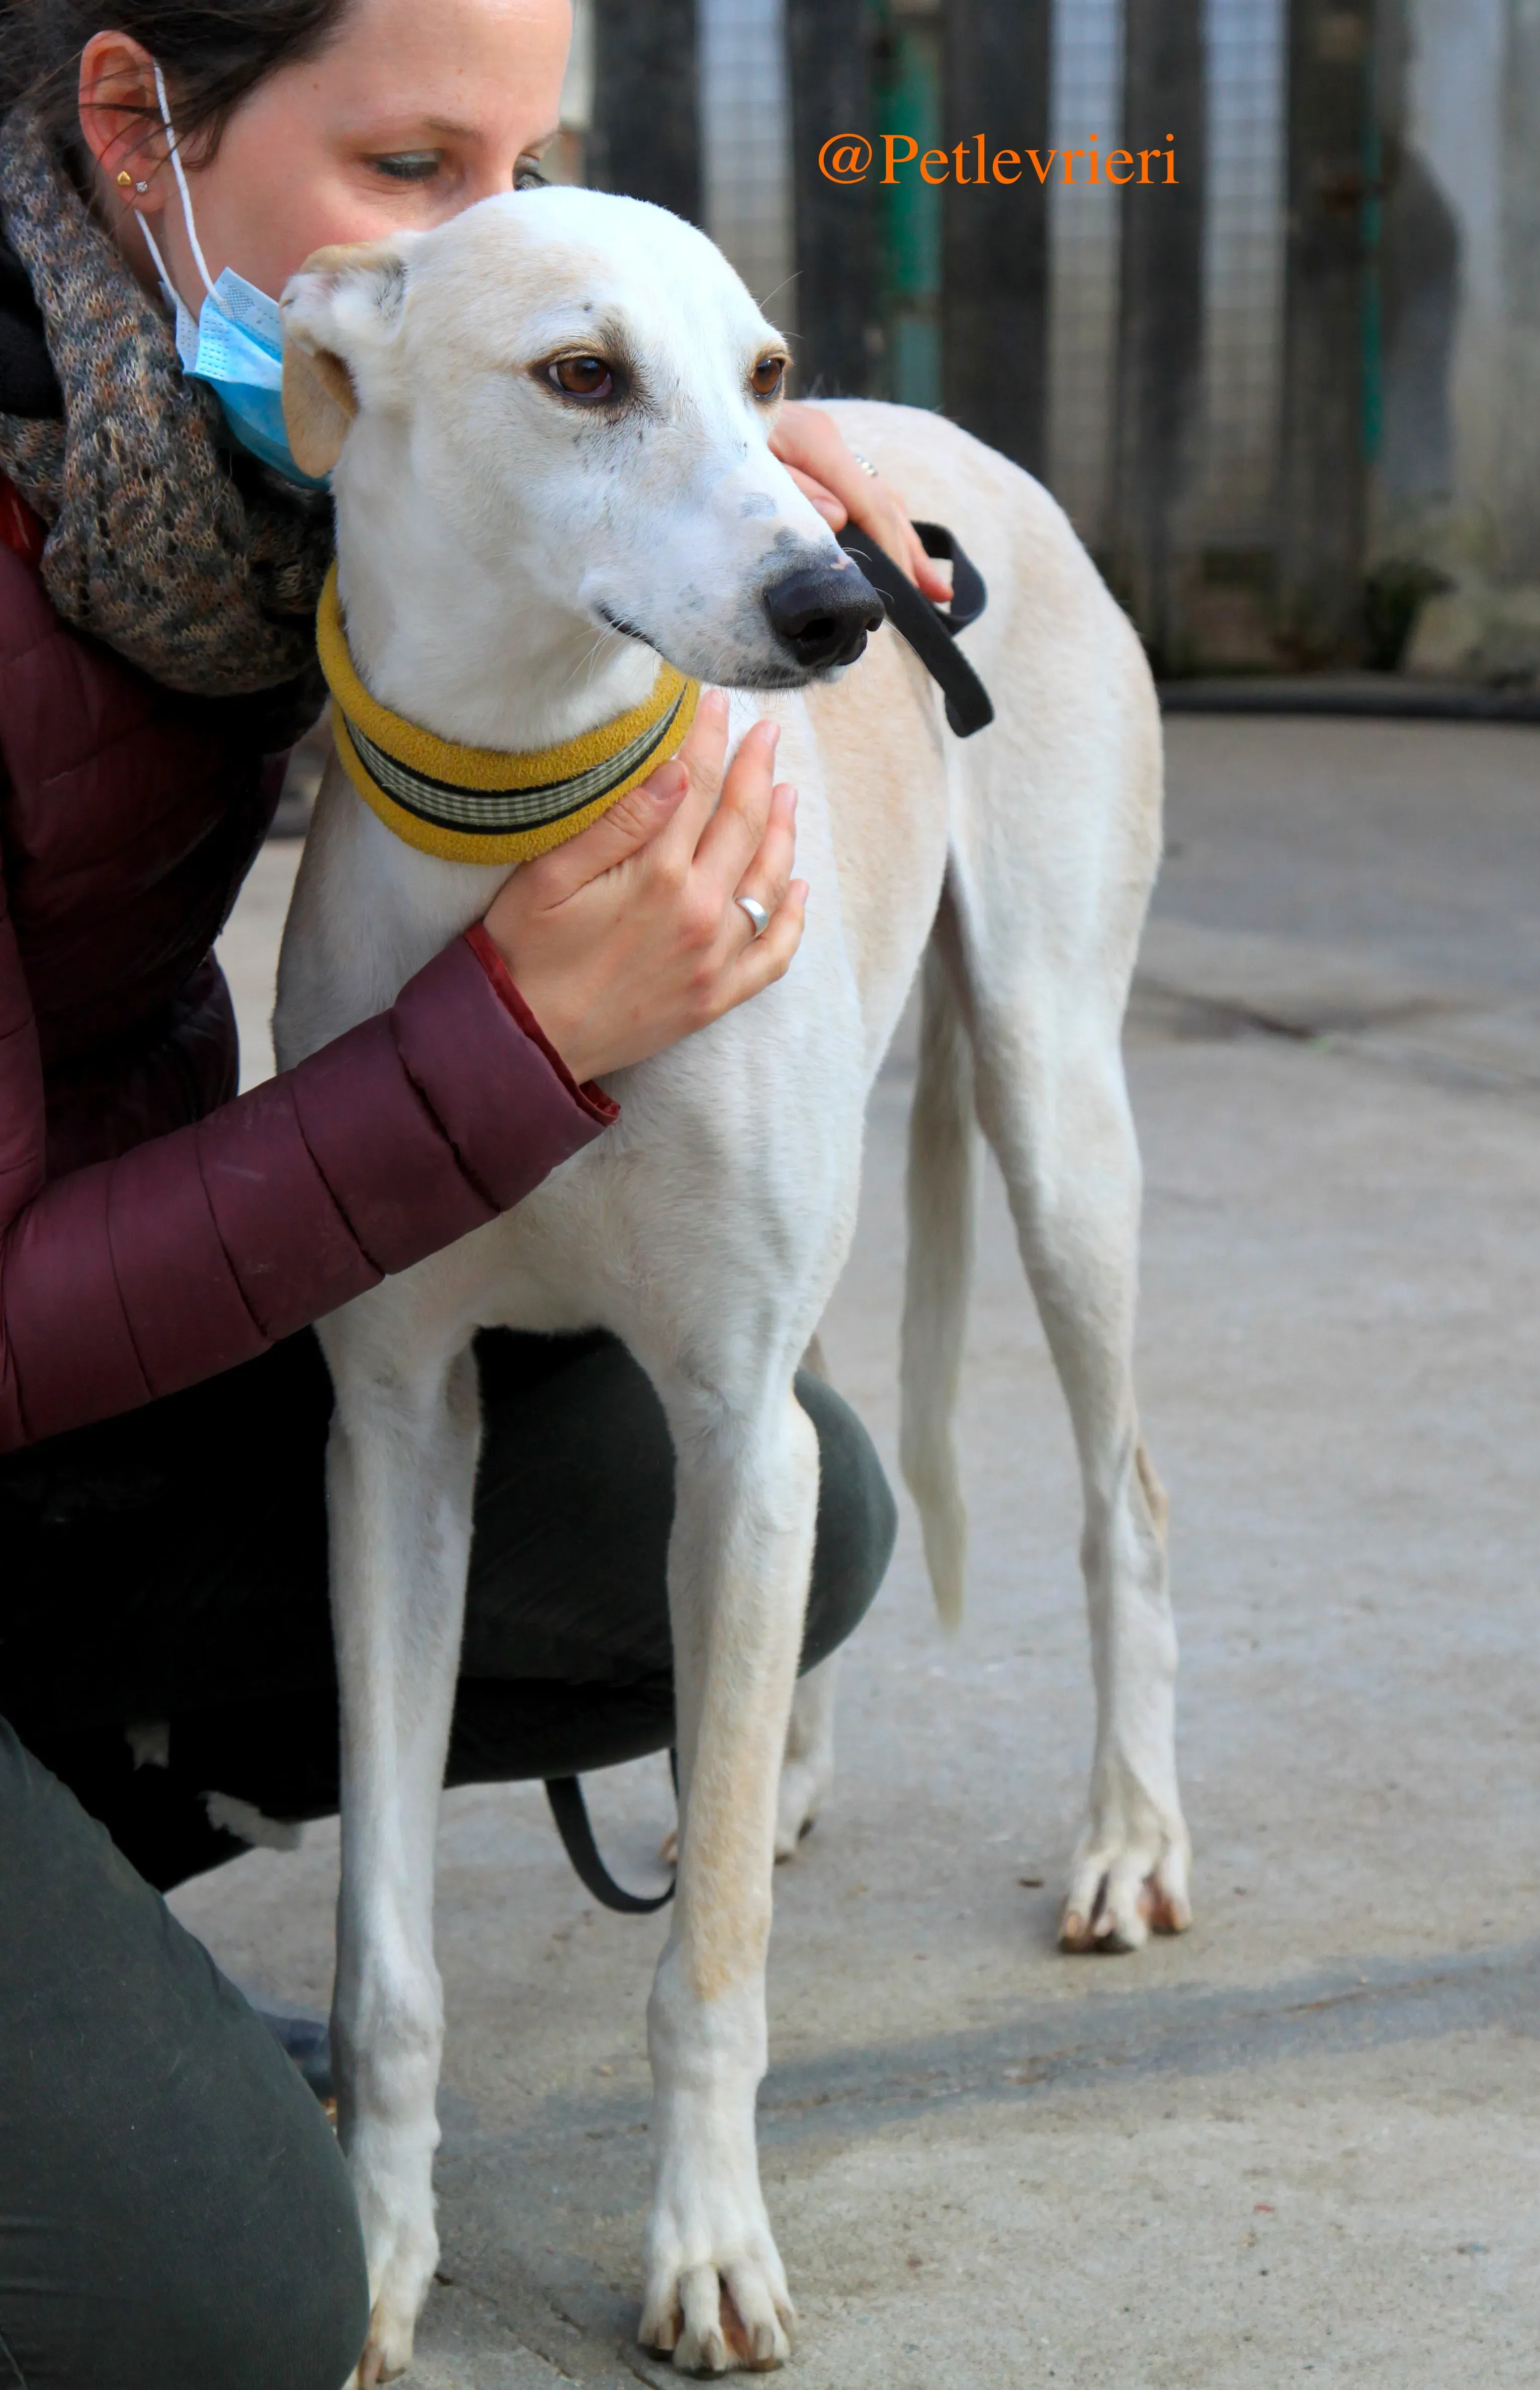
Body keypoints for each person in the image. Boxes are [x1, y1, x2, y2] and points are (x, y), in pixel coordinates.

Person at [0, 4, 954, 2382]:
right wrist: (497, 1051)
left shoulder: (226, 507)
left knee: (784, 1494)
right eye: (426, 163)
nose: (506, 223)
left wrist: (719, 449)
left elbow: (542, 431)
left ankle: (93, 1895)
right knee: (220, 2301)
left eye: (541, 155)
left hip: (71, 1410)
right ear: (139, 135)